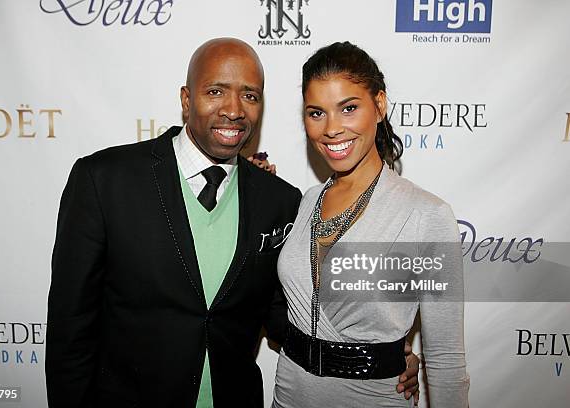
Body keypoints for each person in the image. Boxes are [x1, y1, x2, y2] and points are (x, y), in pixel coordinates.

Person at [45, 38, 419, 408]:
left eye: (250, 96)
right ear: (187, 99)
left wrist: (376, 359)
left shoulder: (280, 201)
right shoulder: (104, 180)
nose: (234, 109)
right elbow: (70, 328)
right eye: (215, 91)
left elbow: (285, 316)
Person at [273, 42, 470, 407]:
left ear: (379, 105)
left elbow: (445, 358)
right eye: (316, 113)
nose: (332, 129)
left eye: (348, 108)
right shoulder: (307, 202)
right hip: (290, 394)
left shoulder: (426, 215)